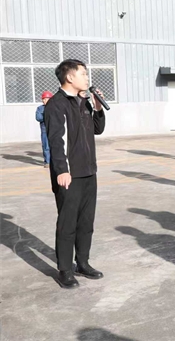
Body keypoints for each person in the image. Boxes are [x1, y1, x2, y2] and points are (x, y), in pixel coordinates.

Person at [44, 59, 106, 289]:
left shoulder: (84, 102)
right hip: (69, 174)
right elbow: (56, 140)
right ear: (70, 77)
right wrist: (62, 170)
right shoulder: (57, 104)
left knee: (86, 222)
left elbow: (98, 129)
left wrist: (97, 107)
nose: (87, 78)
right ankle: (65, 270)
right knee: (67, 223)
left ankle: (82, 263)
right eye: (83, 74)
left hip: (89, 171)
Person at [36, 91, 53, 168]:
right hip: (45, 130)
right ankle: (47, 162)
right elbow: (38, 118)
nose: (44, 100)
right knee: (46, 146)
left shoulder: (55, 107)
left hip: (54, 129)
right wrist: (48, 117)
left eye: (46, 99)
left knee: (56, 145)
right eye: (43, 99)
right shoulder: (40, 108)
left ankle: (55, 161)